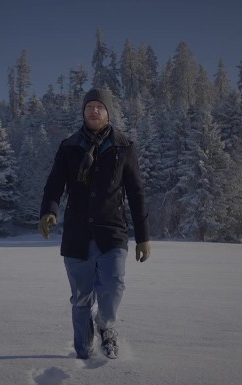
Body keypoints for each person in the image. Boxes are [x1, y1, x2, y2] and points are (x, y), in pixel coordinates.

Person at [39, 88, 151, 360]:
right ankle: (83, 347)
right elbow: (55, 183)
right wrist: (49, 211)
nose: (94, 110)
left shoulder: (124, 147)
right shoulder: (69, 146)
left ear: (108, 112)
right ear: (83, 111)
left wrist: (144, 236)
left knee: (113, 287)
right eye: (89, 106)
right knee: (80, 298)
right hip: (77, 235)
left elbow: (136, 194)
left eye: (99, 106)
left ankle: (106, 326)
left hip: (112, 232)